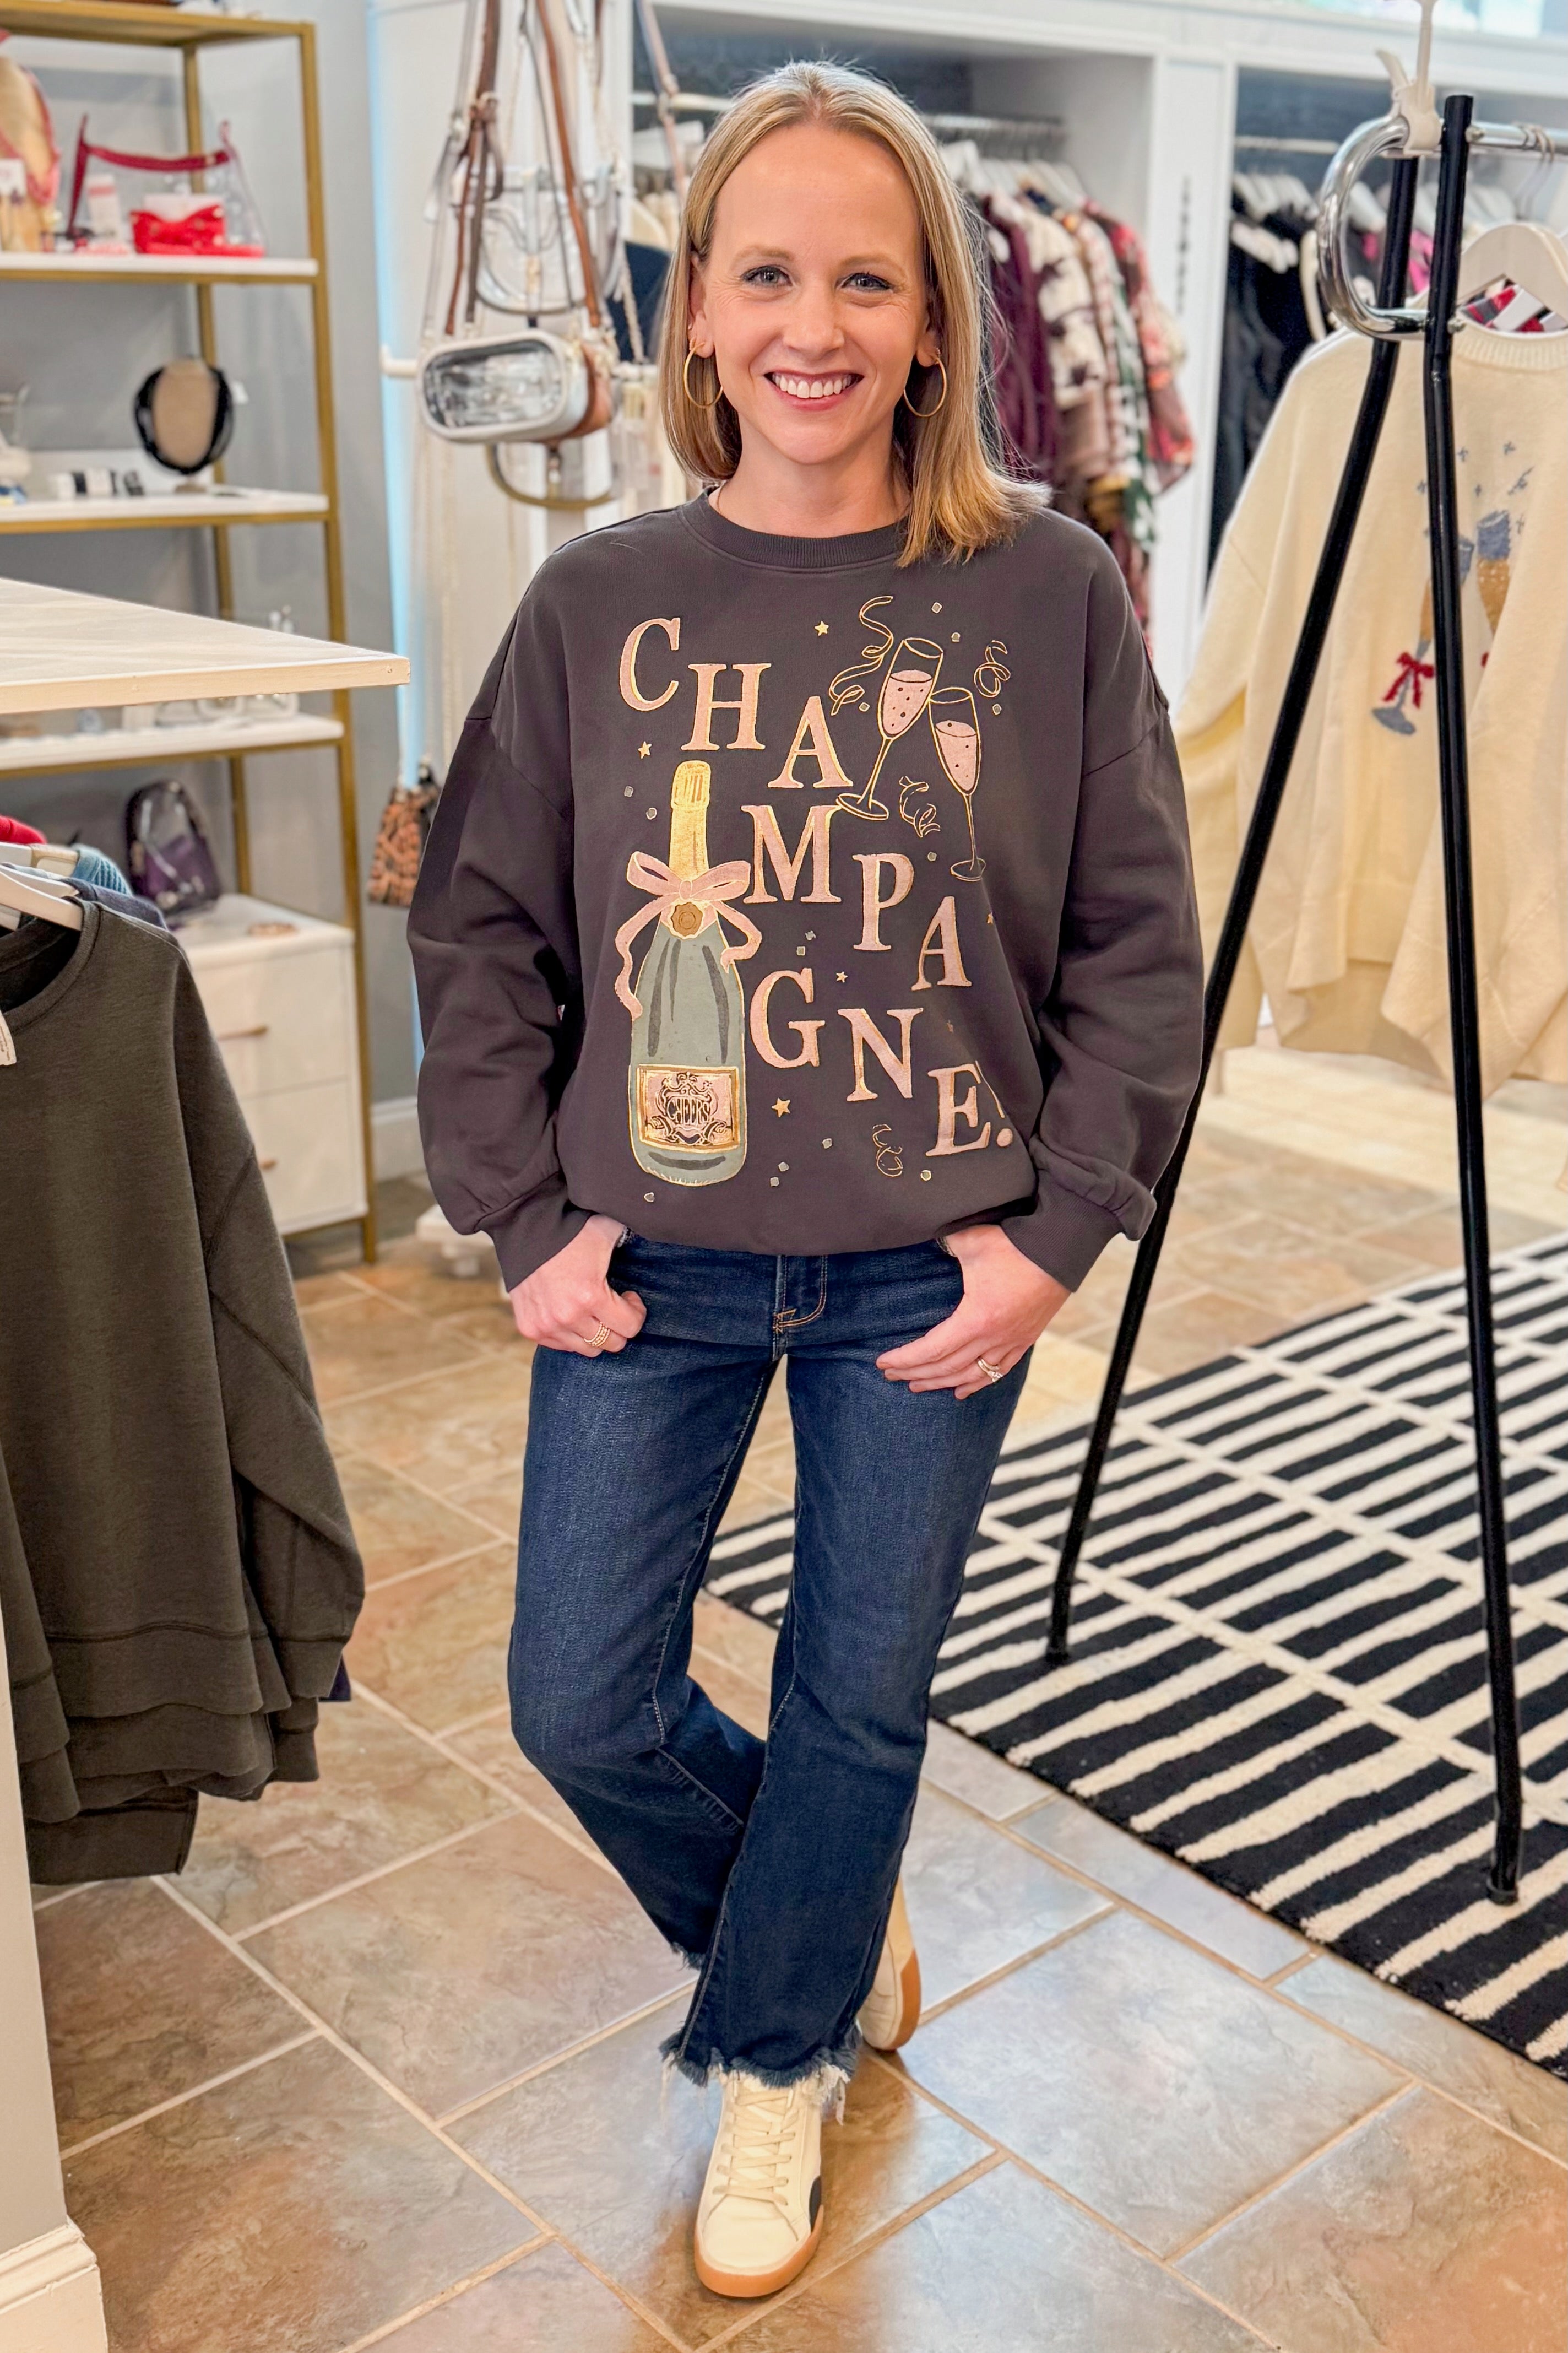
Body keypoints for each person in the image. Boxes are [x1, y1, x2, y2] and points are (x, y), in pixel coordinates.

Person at [409, 61, 1202, 2302]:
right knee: (578, 1695)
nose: (812, 323)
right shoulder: (597, 600)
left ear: (940, 320)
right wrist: (519, 1210)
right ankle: (824, 1917)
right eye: (764, 271)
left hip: (926, 1278)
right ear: (697, 315)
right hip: (643, 1260)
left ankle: (777, 2060)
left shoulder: (1046, 593)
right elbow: (479, 920)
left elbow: (1141, 942)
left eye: (867, 276)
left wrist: (1056, 1234)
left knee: (860, 1695)